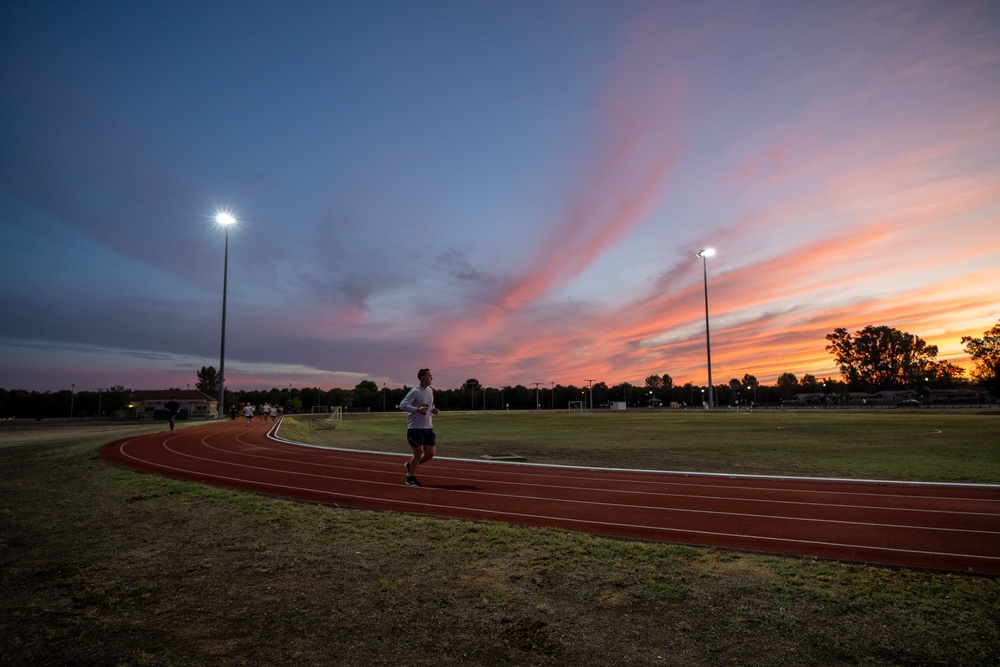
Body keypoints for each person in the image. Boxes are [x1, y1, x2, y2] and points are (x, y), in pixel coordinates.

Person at [398, 368, 439, 486]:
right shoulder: (414, 391)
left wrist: (433, 410)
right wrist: (417, 409)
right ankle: (410, 478)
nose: (432, 378)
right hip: (415, 427)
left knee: (430, 454)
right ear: (423, 378)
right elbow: (402, 405)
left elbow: (428, 407)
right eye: (430, 376)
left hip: (428, 427)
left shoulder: (430, 391)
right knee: (418, 452)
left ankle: (410, 466)